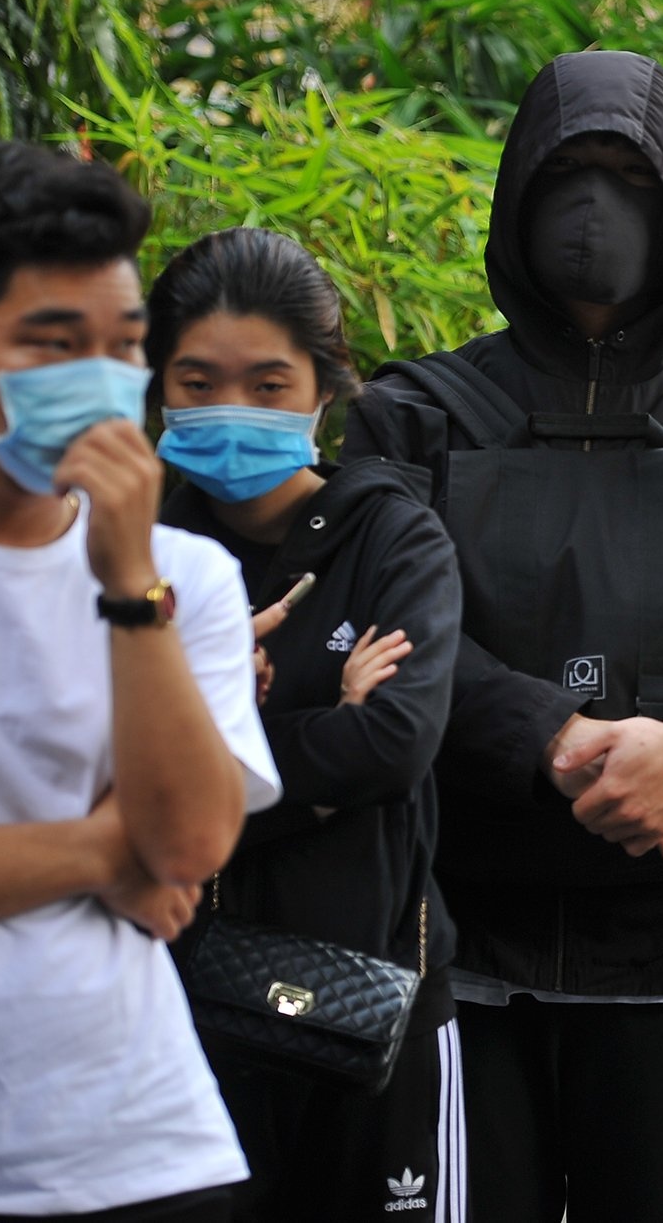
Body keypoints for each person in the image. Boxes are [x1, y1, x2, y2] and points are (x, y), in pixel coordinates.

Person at [340, 51, 663, 1223]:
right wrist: (553, 736)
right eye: (567, 171)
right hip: (460, 937)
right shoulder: (412, 413)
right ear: (517, 189)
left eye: (628, 177)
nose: (593, 207)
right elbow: (386, 624)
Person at [0, 143, 279, 1219]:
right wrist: (107, 848)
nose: (100, 379)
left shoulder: (185, 574)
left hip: (150, 1147)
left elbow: (188, 845)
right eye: (53, 345)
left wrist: (128, 582)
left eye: (124, 345)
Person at [147, 228, 467, 1219]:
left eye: (268, 384)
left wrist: (208, 740)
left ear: (326, 388)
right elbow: (96, 775)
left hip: (371, 1007)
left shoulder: (394, 536)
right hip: (176, 1010)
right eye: (198, 383)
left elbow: (394, 745)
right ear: (156, 382)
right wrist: (323, 748)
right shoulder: (135, 549)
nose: (232, 410)